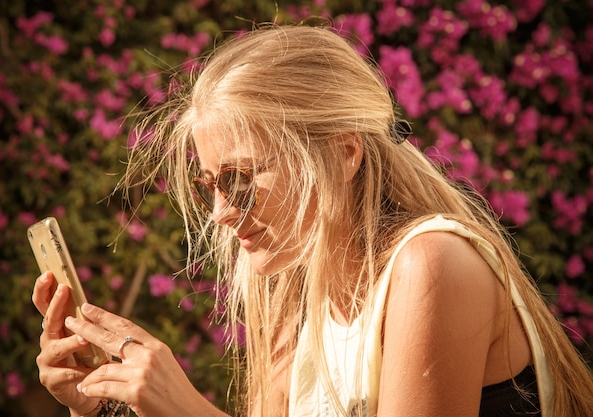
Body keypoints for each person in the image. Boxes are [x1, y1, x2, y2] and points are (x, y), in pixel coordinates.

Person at [32, 24, 593, 417]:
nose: (224, 212)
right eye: (210, 186)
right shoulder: (290, 291)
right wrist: (106, 405)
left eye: (241, 178)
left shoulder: (430, 264)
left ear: (344, 153)